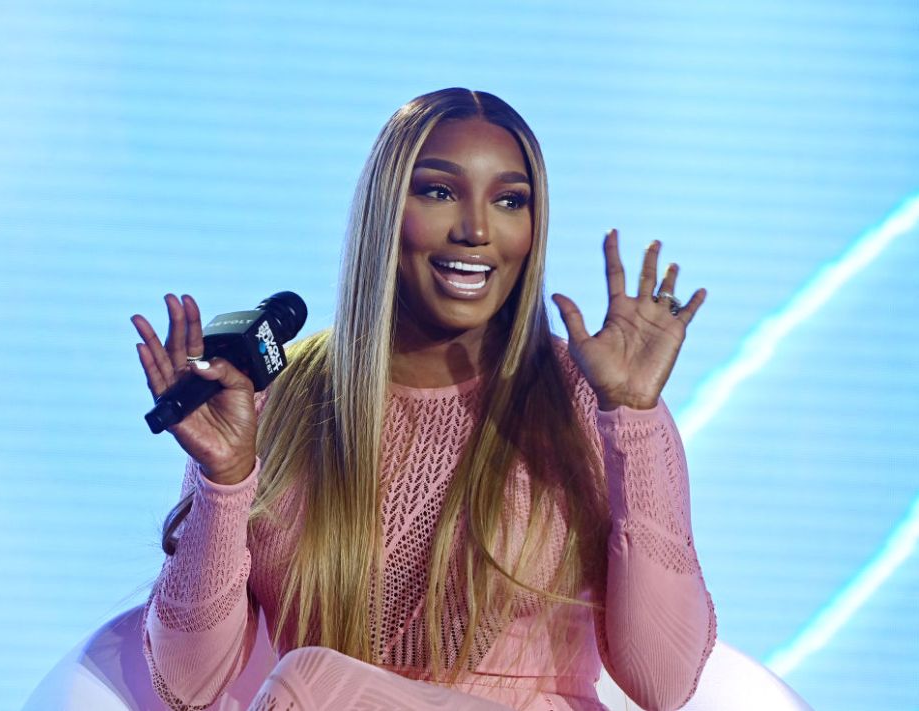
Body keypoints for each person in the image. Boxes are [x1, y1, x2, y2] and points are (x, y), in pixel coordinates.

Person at [132, 88, 715, 711]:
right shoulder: (272, 403)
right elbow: (185, 686)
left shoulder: (585, 398)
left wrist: (632, 416)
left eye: (510, 201)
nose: (476, 230)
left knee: (312, 684)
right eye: (438, 192)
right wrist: (225, 481)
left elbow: (665, 682)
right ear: (385, 212)